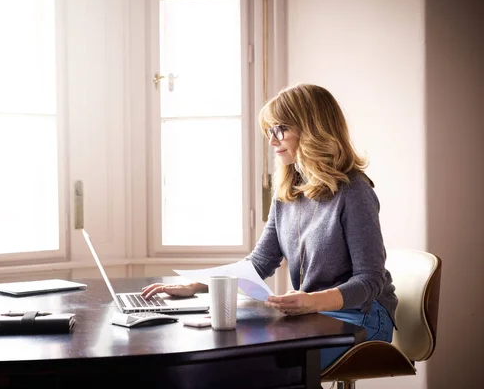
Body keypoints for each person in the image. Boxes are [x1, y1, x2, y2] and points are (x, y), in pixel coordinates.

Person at [142, 82, 398, 371]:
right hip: (317, 315)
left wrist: (312, 302)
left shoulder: (354, 191)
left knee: (263, 366)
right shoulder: (288, 192)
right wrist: (196, 286)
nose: (272, 141)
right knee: (238, 358)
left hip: (362, 319)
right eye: (269, 131)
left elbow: (370, 280)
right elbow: (260, 262)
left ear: (312, 129)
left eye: (280, 130)